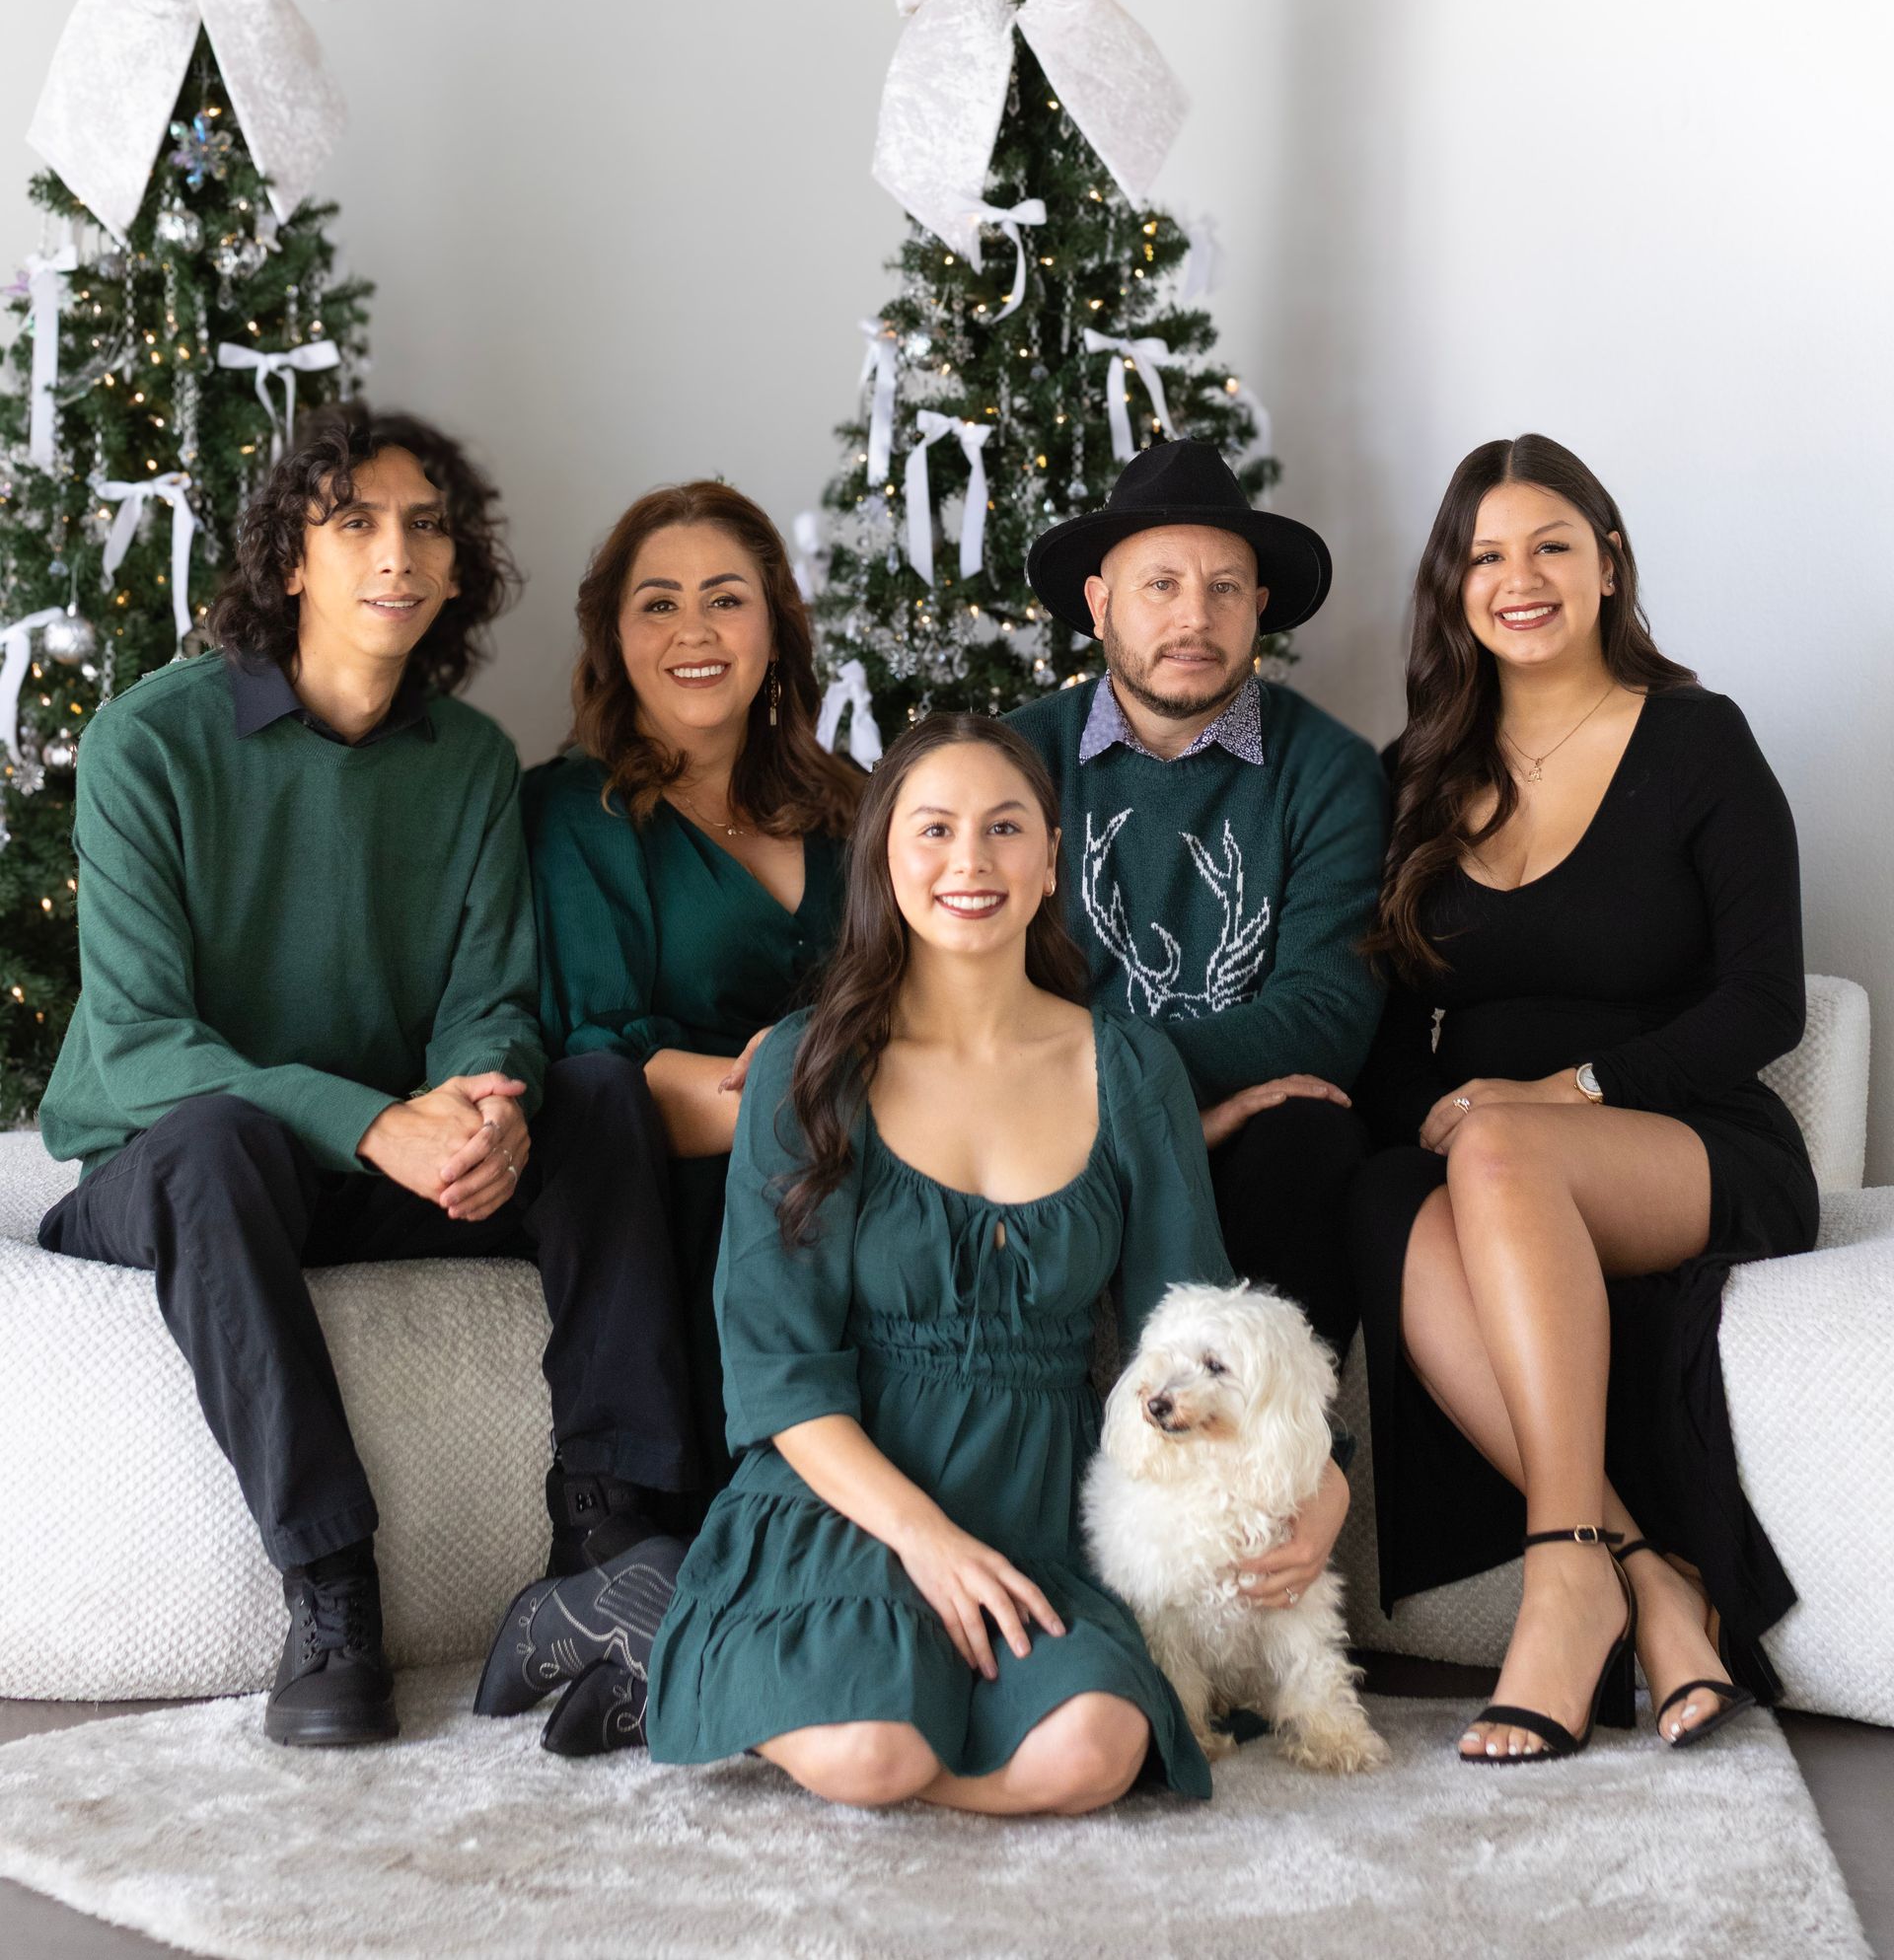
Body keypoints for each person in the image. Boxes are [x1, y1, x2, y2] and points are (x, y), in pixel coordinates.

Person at [36, 407, 696, 1748]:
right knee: (217, 1139)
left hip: (386, 1159)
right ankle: (330, 1587)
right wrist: (375, 1118)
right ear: (291, 558)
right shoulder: (146, 744)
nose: (396, 553)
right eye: (354, 523)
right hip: (174, 1164)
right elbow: (147, 1042)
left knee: (604, 1096)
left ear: (457, 571)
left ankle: (612, 1539)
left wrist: (488, 1102)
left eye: (427, 526)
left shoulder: (462, 762)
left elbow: (490, 1000)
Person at [624, 711, 1244, 1805]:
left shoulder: (1131, 1065)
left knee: (1096, 1752)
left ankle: (926, 1732)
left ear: (1052, 858)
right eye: (935, 829)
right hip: (846, 1501)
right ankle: (753, 1664)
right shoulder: (806, 1070)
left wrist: (1311, 1481)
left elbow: (1192, 1329)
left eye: (1006, 827)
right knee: (877, 1752)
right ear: (883, 858)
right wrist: (928, 1542)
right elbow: (775, 1367)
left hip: (1039, 1511)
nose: (971, 861)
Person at [1348, 434, 1816, 1763]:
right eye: (1484, 554)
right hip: (1493, 1157)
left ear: (1608, 562)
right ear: (1452, 591)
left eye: (1552, 542)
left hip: (1690, 1137)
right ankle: (1648, 1571)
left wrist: (1574, 1088)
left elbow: (1764, 1001)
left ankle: (1564, 1584)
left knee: (1494, 1147)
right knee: (1402, 1187)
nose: (1521, 575)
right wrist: (1441, 1114)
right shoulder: (1418, 771)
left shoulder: (1696, 738)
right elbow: (1388, 1020)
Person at [1004, 438, 1388, 1604]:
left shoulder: (1327, 770)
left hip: (1228, 1132)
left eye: (1225, 587)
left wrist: (1138, 1086)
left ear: (1260, 604)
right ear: (1099, 602)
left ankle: (1279, 1515)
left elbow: (1324, 1013)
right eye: (1160, 585)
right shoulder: (1020, 755)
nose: (1195, 616)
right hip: (1052, 1127)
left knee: (1310, 1129)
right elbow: (957, 976)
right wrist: (1156, 1104)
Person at [524, 481, 862, 1504]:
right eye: (657, 604)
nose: (694, 631)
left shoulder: (854, 805)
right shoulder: (573, 811)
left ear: (774, 625)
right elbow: (599, 1064)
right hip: (695, 1179)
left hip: (863, 1146)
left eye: (726, 598)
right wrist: (798, 1090)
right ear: (613, 637)